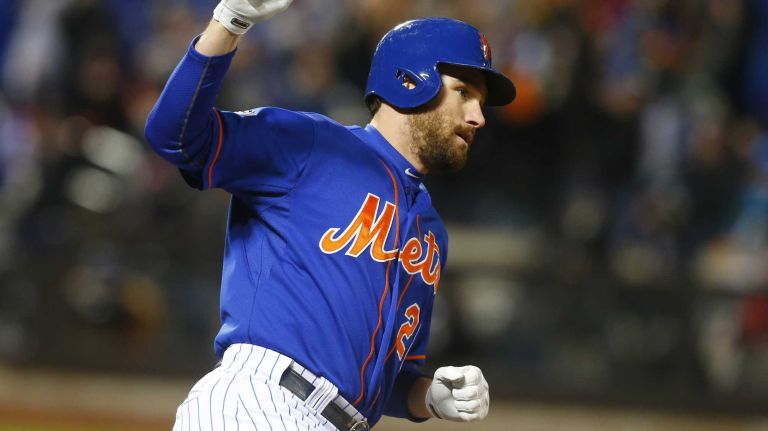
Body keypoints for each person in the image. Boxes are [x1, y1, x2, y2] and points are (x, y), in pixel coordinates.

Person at [144, 1, 516, 430]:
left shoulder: (431, 232)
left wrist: (431, 396)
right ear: (411, 80)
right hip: (261, 399)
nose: (478, 117)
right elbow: (174, 135)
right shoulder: (313, 144)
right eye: (464, 92)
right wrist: (227, 25)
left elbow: (389, 380)